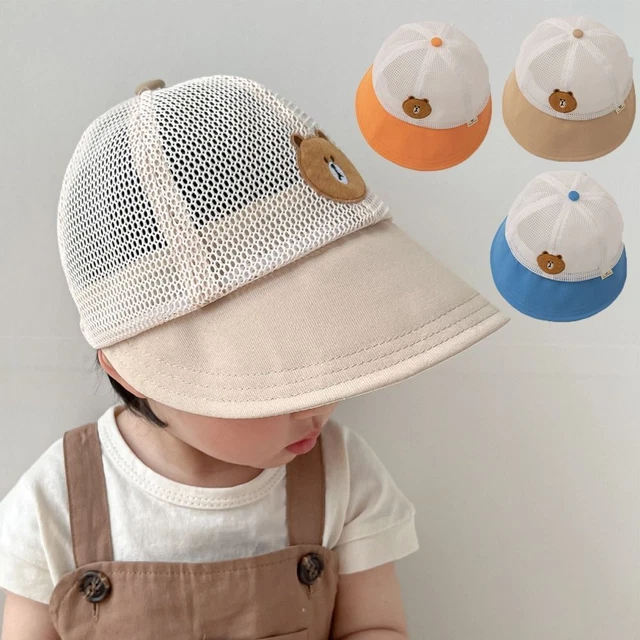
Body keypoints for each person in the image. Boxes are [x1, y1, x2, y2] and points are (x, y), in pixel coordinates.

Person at [0, 75, 508, 639]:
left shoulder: (341, 476)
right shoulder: (58, 502)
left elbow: (375, 625)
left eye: (328, 354)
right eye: (271, 373)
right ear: (131, 372)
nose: (317, 401)